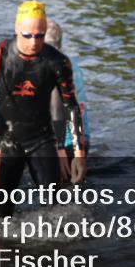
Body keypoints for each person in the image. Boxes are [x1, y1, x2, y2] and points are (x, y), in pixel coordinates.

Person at [0, 0, 86, 213]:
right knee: (1, 215)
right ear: (16, 29)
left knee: (54, 212)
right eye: (27, 35)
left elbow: (70, 106)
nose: (34, 42)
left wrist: (78, 154)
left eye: (40, 35)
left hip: (42, 140)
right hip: (7, 141)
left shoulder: (57, 62)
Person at [44, 19, 91, 163]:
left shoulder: (49, 68)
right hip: (82, 142)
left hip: (61, 146)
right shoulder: (73, 64)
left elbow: (55, 111)